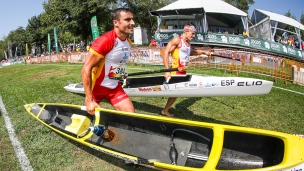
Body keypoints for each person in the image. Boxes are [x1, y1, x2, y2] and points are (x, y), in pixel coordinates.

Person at [81, 8, 135, 115]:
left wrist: (120, 74)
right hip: (96, 88)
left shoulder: (128, 41)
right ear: (116, 22)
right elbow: (86, 69)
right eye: (127, 20)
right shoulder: (105, 41)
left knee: (130, 115)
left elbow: (116, 62)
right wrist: (89, 98)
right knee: (90, 118)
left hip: (114, 87)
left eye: (132, 19)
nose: (133, 23)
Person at [161, 24, 210, 117]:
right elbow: (166, 52)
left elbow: (193, 52)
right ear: (186, 32)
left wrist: (204, 52)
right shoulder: (177, 40)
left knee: (175, 93)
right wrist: (167, 70)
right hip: (175, 71)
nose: (194, 35)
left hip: (183, 72)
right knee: (173, 92)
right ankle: (164, 108)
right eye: (192, 33)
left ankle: (165, 110)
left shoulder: (187, 44)